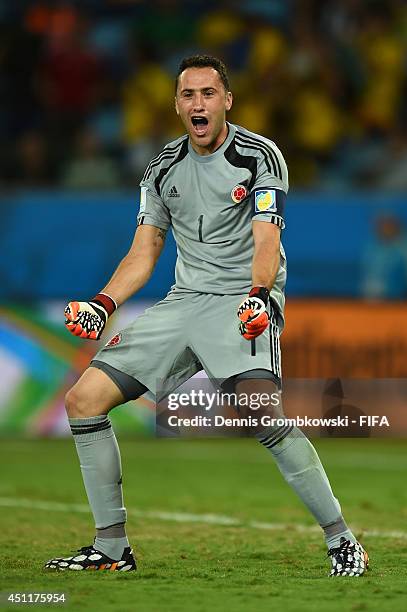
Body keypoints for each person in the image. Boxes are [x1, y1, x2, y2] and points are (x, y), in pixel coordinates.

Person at [45, 55, 368, 577]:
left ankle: (342, 540)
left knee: (262, 412)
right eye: (188, 95)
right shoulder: (161, 169)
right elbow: (143, 253)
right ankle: (110, 550)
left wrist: (260, 296)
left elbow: (268, 237)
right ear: (177, 105)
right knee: (84, 400)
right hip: (183, 302)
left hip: (241, 300)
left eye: (208, 94)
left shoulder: (259, 156)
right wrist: (104, 303)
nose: (198, 103)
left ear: (227, 101)